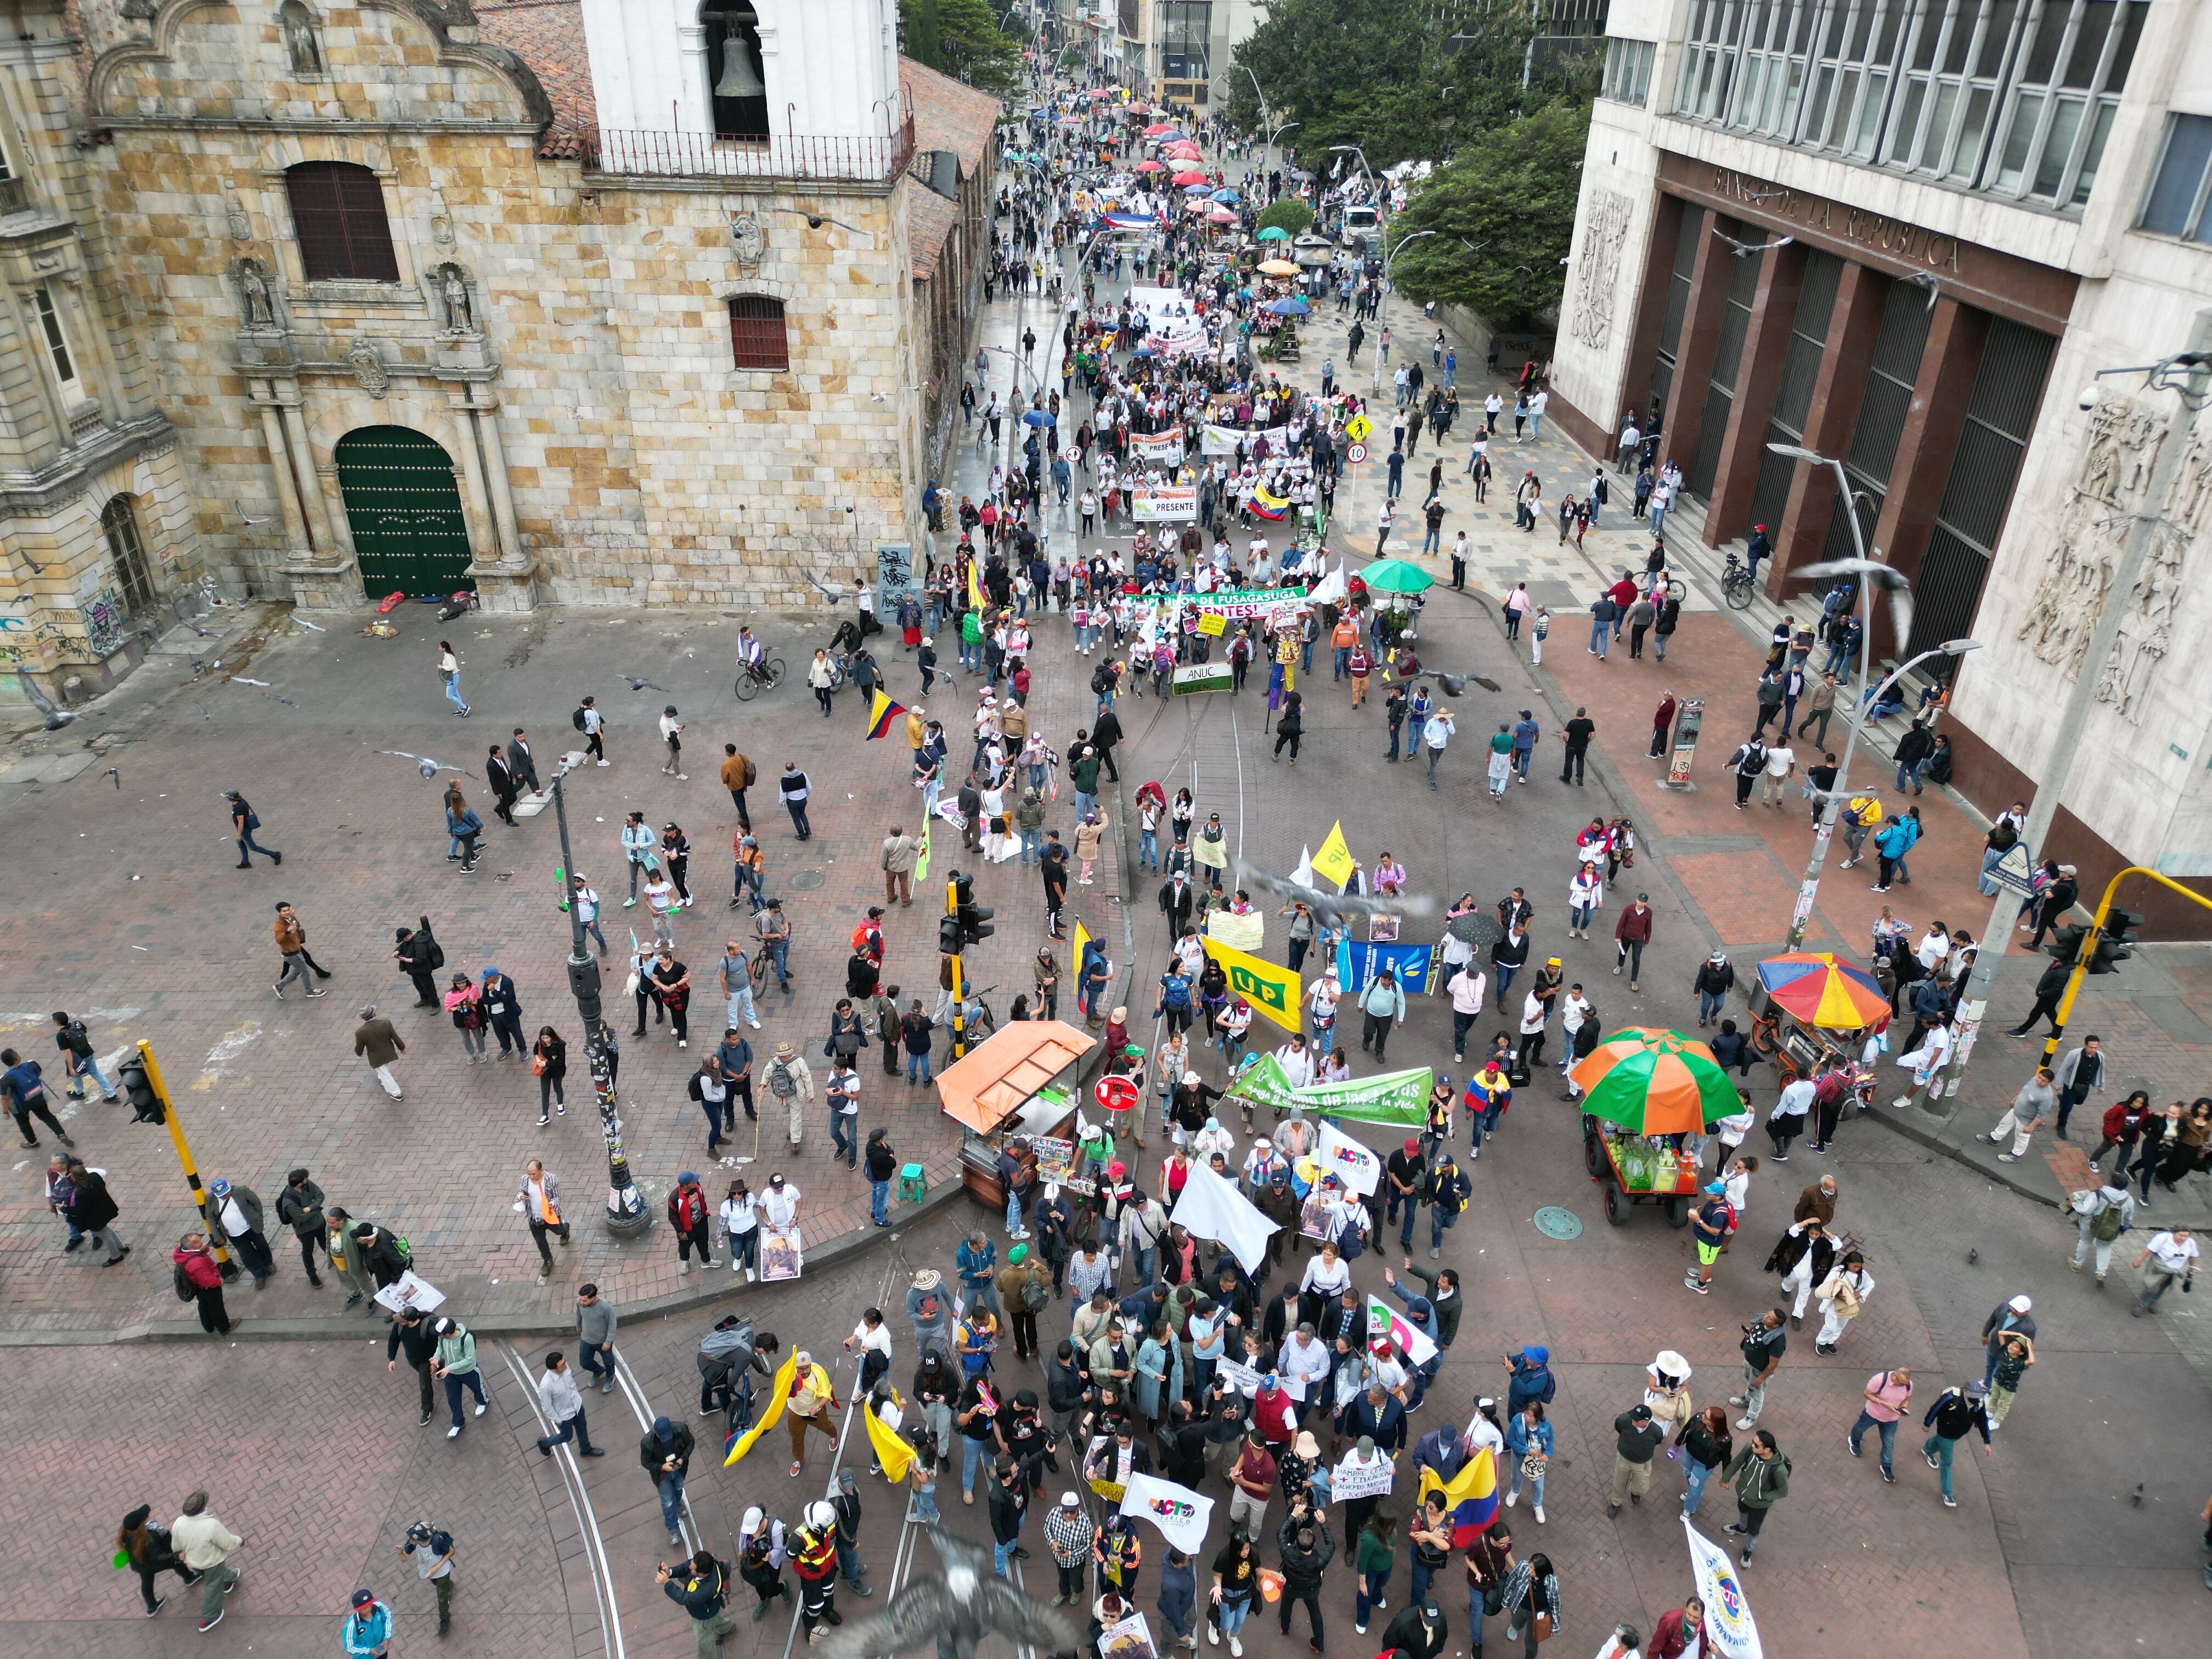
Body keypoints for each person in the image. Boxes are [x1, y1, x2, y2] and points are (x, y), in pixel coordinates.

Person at [170, 1490, 244, 1633]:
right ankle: (209, 1617)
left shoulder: (179, 1522)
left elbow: (176, 1547)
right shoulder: (211, 1525)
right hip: (211, 1562)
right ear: (202, 1510)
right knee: (212, 1586)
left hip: (191, 1561)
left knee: (213, 1576)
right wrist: (239, 1540)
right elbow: (227, 1543)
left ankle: (229, 1580)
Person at [118, 1502, 198, 1618]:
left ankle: (152, 1607)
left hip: (141, 1566)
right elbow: (158, 1558)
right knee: (176, 1564)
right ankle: (189, 1578)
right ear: (141, 1525)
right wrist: (176, 1556)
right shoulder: (149, 1538)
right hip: (153, 1563)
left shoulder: (126, 1536)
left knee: (146, 1583)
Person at [1918, 1380, 1991, 1508]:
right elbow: (1936, 1409)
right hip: (1946, 1432)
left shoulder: (1979, 1402)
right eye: (1974, 1395)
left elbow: (1982, 1420)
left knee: (1940, 1441)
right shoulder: (1951, 1397)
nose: (1977, 1399)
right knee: (1947, 1462)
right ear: (1965, 1391)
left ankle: (1927, 1450)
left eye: (1978, 1396)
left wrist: (1987, 1441)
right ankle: (1948, 1493)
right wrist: (1927, 1423)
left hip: (1959, 1433)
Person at [1720, 1429, 1788, 1560]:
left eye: (1757, 1445)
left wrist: (1762, 1497)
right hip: (1744, 1495)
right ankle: (1741, 1528)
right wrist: (1725, 1478)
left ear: (1767, 1450)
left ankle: (1748, 1552)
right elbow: (1737, 1462)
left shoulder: (1780, 1471)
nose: (1752, 1446)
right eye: (1753, 1442)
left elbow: (1782, 1492)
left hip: (1759, 1505)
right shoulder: (1749, 1450)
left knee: (1754, 1530)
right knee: (1742, 1511)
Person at [1274, 1510, 1333, 1654]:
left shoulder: (1288, 1552)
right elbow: (1331, 1545)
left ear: (1296, 1543)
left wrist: (1293, 1516)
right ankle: (1319, 1644)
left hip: (1290, 1586)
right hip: (1311, 1590)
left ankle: (1285, 1627)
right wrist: (1323, 1524)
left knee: (1286, 1606)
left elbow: (1281, 1534)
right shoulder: (1321, 1558)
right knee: (1315, 1613)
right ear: (1314, 1545)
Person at [661, 1549, 739, 1655]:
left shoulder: (708, 1588)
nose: (689, 1567)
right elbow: (685, 1567)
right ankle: (728, 1628)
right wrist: (669, 1572)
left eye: (692, 1569)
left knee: (704, 1642)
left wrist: (667, 1583)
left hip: (703, 1615)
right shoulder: (703, 1563)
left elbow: (685, 1599)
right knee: (715, 1619)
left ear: (701, 1574)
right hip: (711, 1607)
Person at [535, 1350, 605, 1458]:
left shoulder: (565, 1368)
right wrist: (558, 1421)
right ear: (554, 1370)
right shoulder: (546, 1386)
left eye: (564, 1362)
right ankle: (544, 1443)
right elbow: (547, 1407)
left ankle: (585, 1449)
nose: (565, 1366)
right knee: (566, 1437)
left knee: (582, 1426)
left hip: (576, 1406)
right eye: (562, 1365)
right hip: (564, 1416)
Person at [396, 1521, 456, 1637]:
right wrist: (400, 1553)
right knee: (436, 1584)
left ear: (422, 1539)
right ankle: (449, 1586)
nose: (411, 1541)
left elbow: (451, 1552)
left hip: (442, 1572)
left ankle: (445, 1619)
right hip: (429, 1573)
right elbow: (405, 1559)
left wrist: (437, 1568)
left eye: (414, 1540)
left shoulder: (438, 1541)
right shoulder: (413, 1543)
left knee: (442, 1598)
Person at [1497, 1553, 1560, 1658]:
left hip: (1537, 1615)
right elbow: (1511, 1582)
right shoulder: (1522, 1567)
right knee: (1516, 1620)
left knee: (1532, 1642)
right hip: (1519, 1606)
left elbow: (1555, 1604)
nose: (1530, 1571)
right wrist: (1506, 1601)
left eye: (1534, 1570)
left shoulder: (1552, 1583)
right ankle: (1515, 1627)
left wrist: (1555, 1625)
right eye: (1530, 1567)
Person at [2130, 1226, 2199, 1317]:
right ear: (2174, 1233)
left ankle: (2154, 1301)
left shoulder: (2191, 1243)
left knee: (2164, 1286)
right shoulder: (2163, 1238)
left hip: (2174, 1270)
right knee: (2151, 1286)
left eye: (2186, 1237)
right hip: (2158, 1267)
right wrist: (2138, 1261)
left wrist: (2192, 1270)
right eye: (2180, 1235)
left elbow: (2193, 1257)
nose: (2183, 1238)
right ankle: (2141, 1304)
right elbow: (2149, 1250)